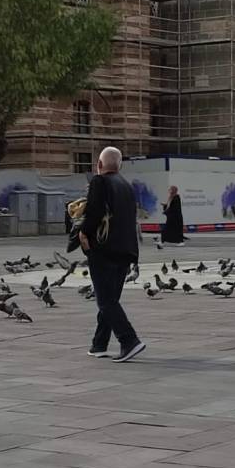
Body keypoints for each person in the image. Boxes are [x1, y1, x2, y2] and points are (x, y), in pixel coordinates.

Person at [80, 146, 145, 363]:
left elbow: (94, 213)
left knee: (105, 300)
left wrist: (83, 235)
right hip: (125, 251)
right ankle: (99, 344)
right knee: (111, 299)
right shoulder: (126, 185)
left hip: (104, 250)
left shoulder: (100, 182)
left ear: (99, 165)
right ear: (120, 165)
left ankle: (129, 340)